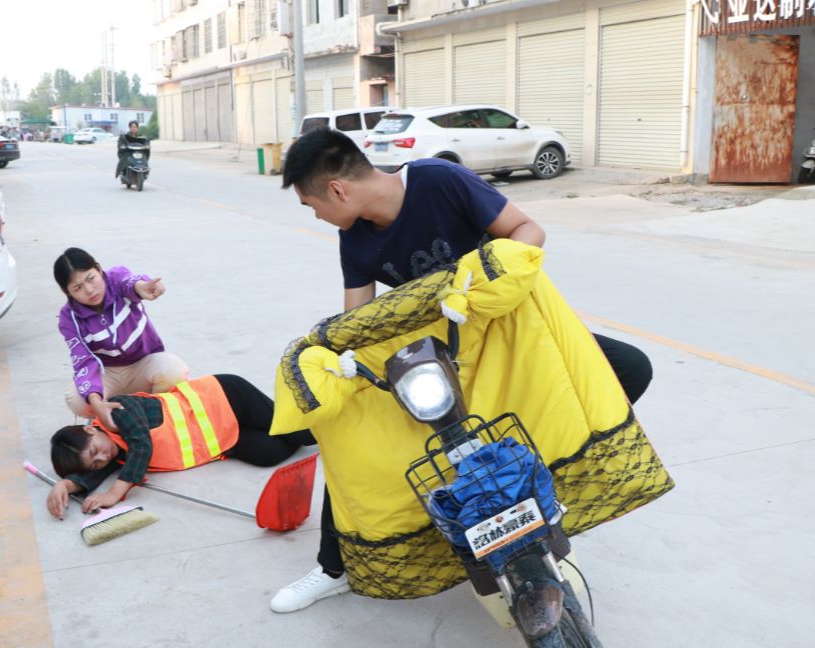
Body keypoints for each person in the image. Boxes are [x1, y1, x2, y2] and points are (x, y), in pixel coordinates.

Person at [269, 128, 653, 613]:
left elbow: (528, 232)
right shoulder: (355, 238)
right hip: (437, 356)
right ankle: (334, 567)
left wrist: (482, 283)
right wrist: (326, 354)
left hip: (504, 333)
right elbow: (357, 325)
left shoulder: (440, 180)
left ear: (337, 190)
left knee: (630, 369)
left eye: (312, 206)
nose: (319, 217)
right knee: (351, 428)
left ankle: (539, 491)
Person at [46, 374, 316, 518]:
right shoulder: (113, 455)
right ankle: (286, 415)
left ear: (90, 428)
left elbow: (142, 444)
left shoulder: (118, 410)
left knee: (305, 435)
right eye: (95, 462)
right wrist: (67, 485)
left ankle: (325, 400)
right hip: (226, 435)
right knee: (268, 454)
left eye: (95, 450)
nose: (102, 458)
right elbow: (96, 471)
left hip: (227, 398)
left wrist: (115, 493)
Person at [55, 247, 189, 431]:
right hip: (108, 373)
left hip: (144, 365)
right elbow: (83, 360)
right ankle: (109, 411)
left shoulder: (116, 278)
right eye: (78, 288)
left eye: (91, 278)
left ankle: (153, 412)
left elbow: (131, 283)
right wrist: (96, 402)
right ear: (67, 292)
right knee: (78, 401)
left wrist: (142, 287)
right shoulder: (68, 318)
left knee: (174, 369)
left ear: (99, 269)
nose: (89, 290)